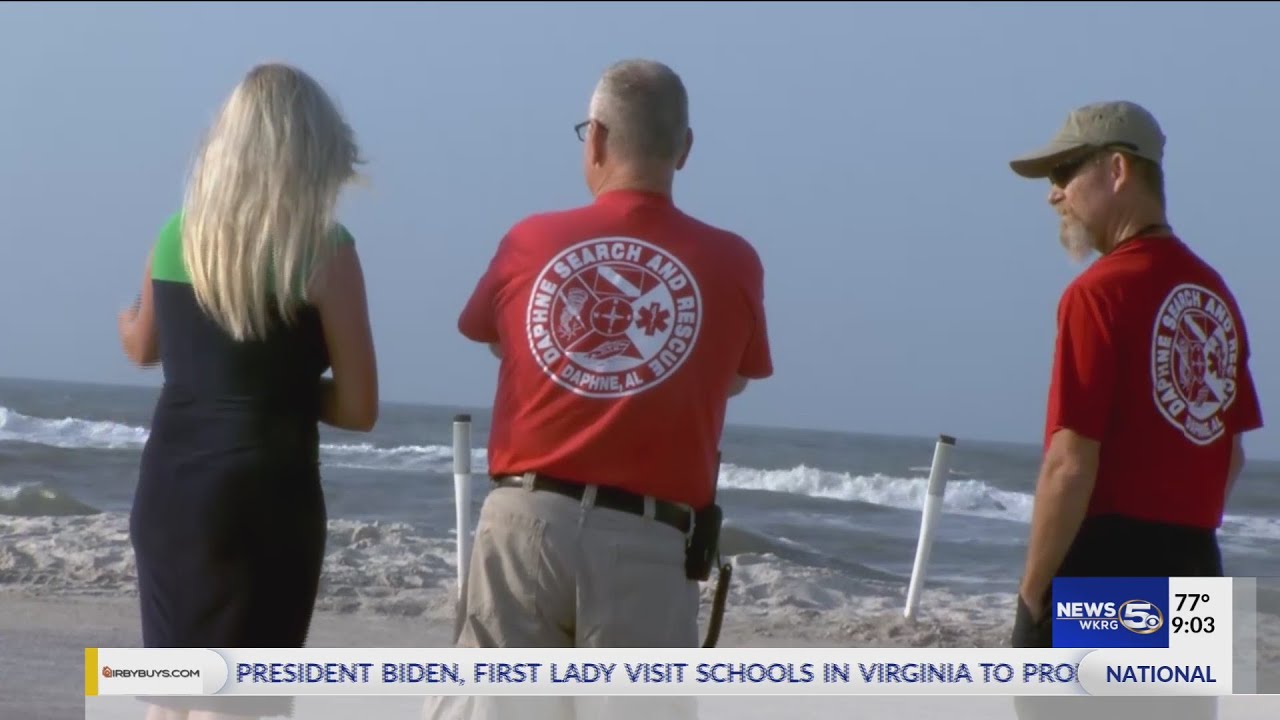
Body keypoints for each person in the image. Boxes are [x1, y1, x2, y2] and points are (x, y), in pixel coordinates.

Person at [424, 58, 772, 720]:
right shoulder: (733, 262)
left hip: (527, 523)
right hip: (649, 540)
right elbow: (732, 379)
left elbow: (499, 339)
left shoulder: (530, 240)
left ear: (597, 140)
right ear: (686, 149)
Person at [116, 63, 378, 720]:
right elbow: (359, 406)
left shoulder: (179, 235)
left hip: (172, 490)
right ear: (315, 151)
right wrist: (278, 392)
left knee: (170, 697)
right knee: (242, 703)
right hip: (266, 493)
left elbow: (143, 348)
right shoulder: (324, 250)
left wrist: (127, 314)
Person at [1006, 101, 1263, 718]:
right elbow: (1229, 452)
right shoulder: (1215, 294)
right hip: (1197, 567)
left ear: (1117, 169)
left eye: (1065, 172)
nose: (1053, 195)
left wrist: (1032, 595)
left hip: (1108, 567)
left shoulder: (1098, 294)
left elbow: (1070, 464)